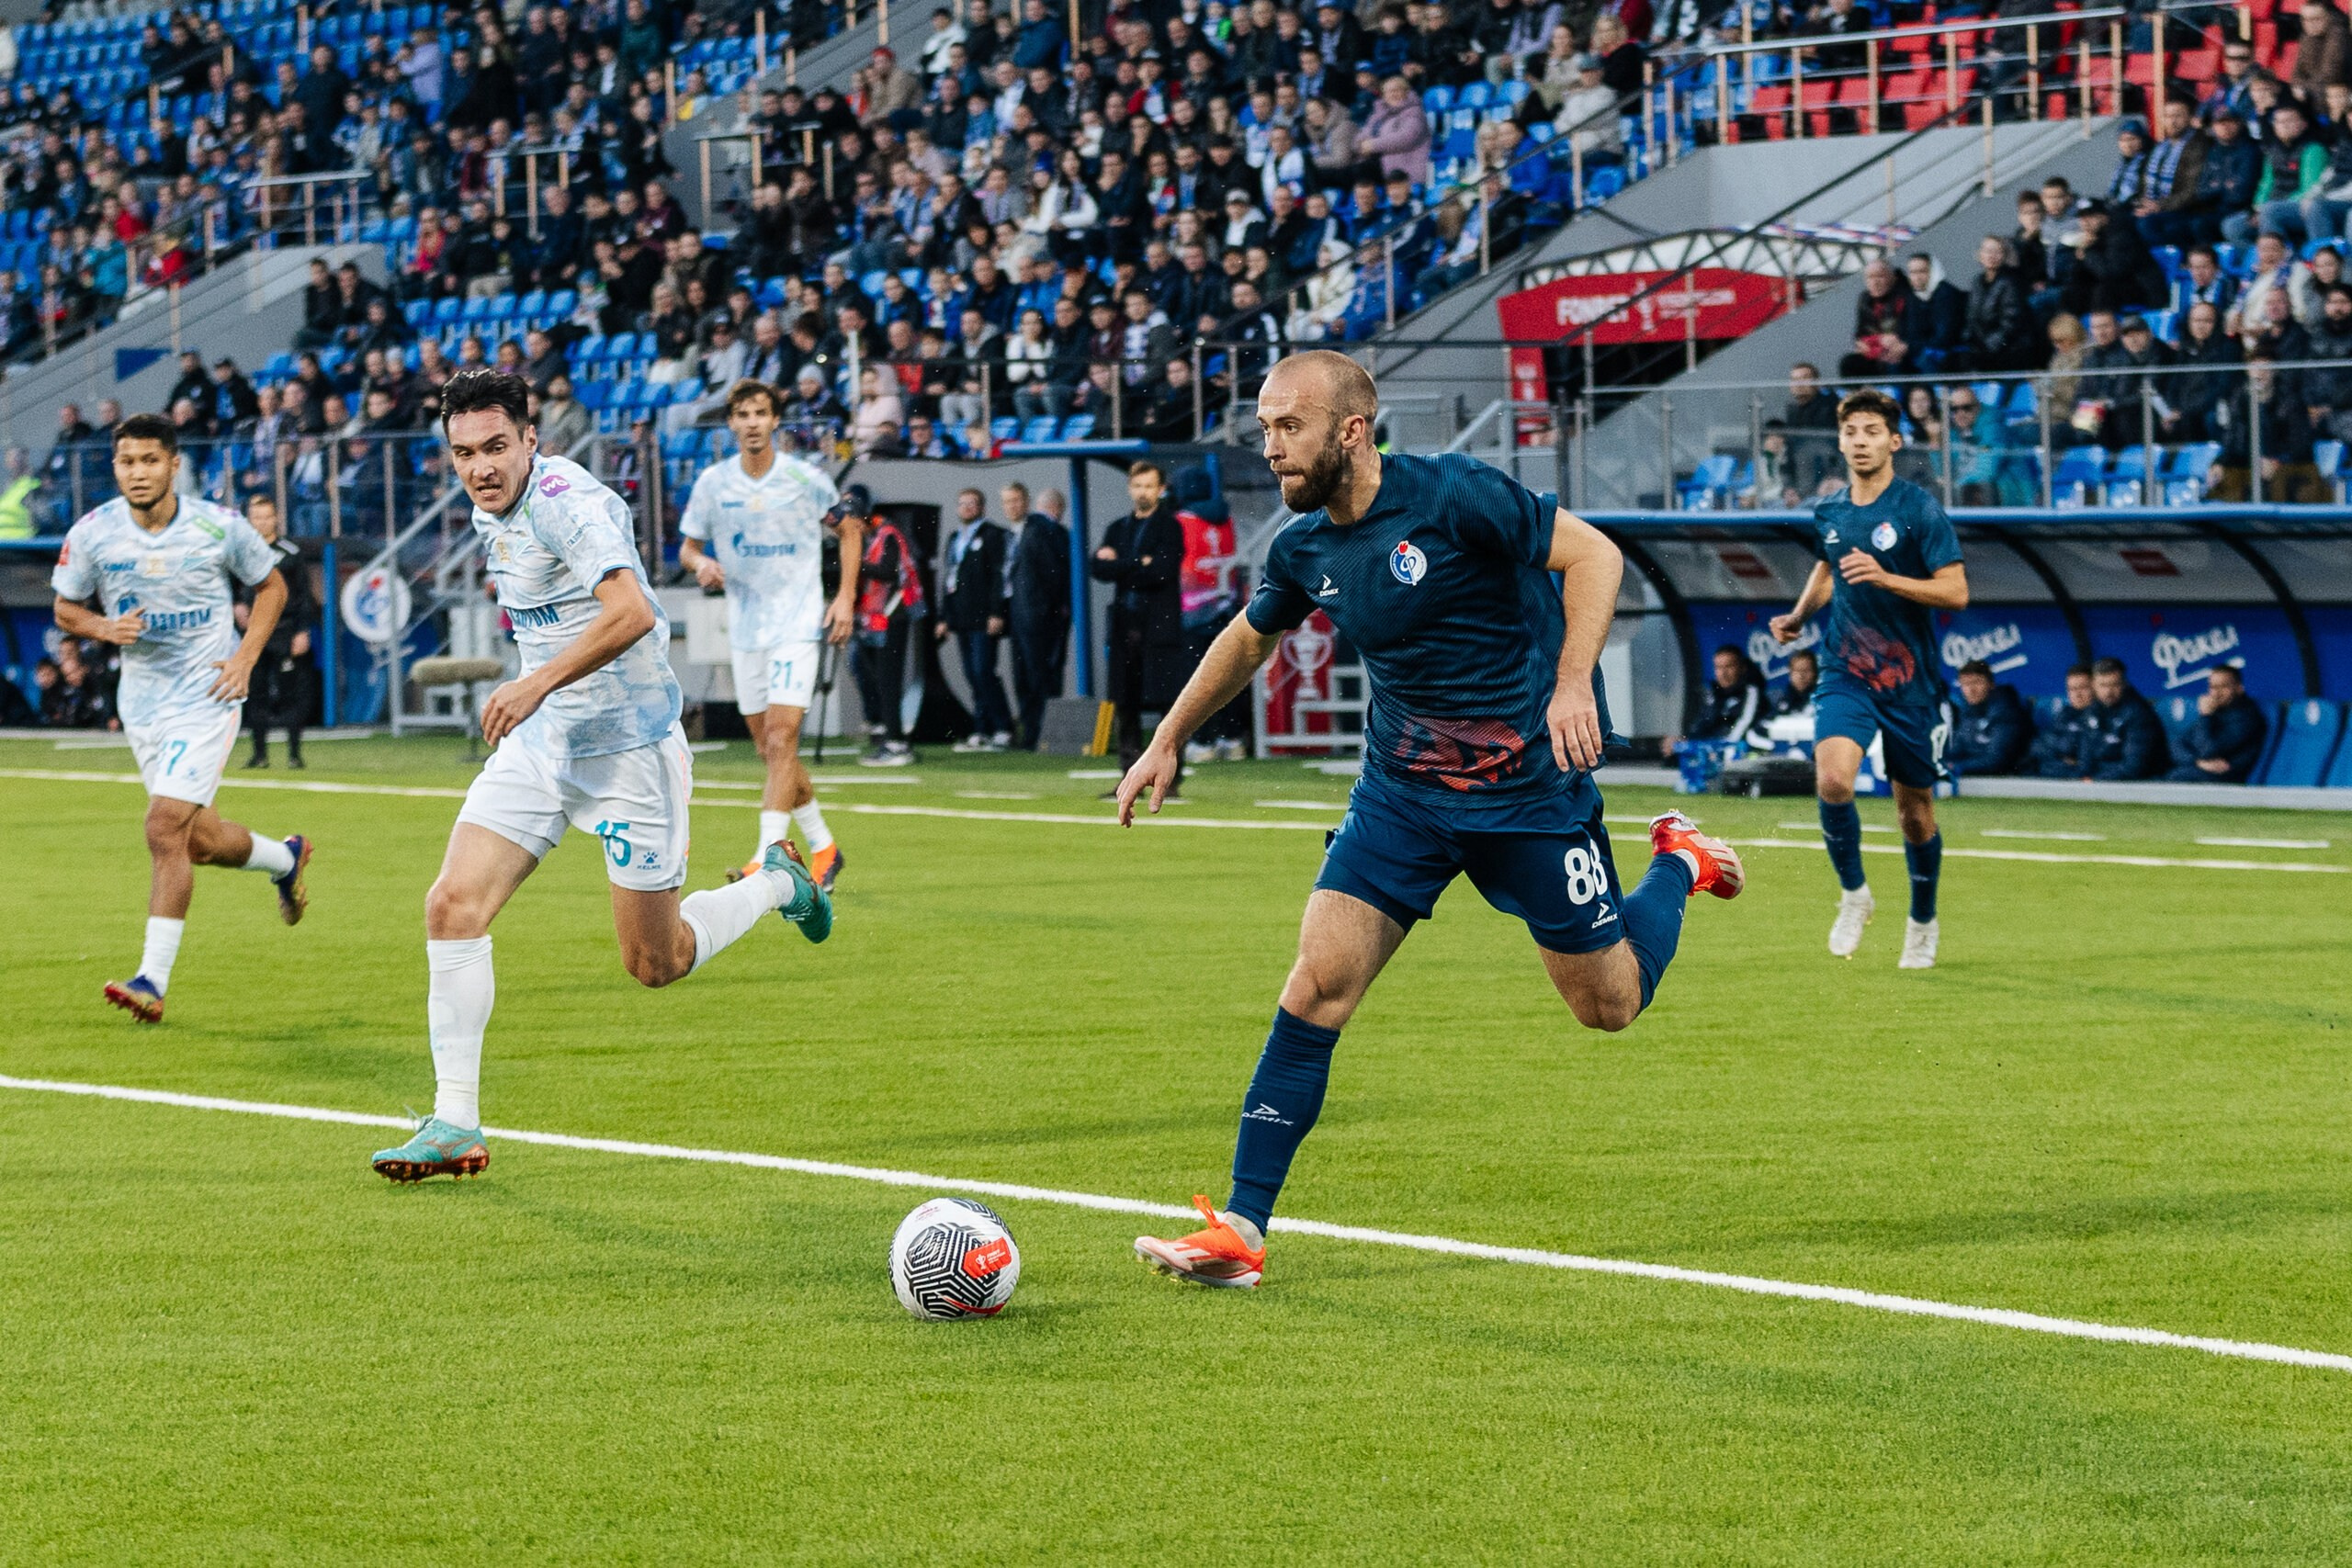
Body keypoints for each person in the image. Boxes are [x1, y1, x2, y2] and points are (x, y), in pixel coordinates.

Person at [1121, 351, 1744, 1290]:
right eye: (1263, 429)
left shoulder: (1454, 497)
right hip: (1402, 800)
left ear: (1351, 431)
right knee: (1317, 982)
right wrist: (1168, 737)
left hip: (1530, 797)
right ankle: (1242, 1226)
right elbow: (1250, 636)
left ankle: (1677, 864)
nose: (1271, 450)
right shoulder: (1302, 549)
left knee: (1607, 1005)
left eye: (1289, 429)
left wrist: (1574, 683)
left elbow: (1594, 555)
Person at [368, 370, 833, 1183]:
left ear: (531, 439)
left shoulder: (567, 504)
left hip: (629, 754)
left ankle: (776, 883)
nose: (480, 467)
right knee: (452, 903)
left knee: (656, 962)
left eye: (495, 448)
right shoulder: (491, 507)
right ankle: (455, 1120)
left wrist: (532, 680)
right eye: (463, 453)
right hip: (546, 745)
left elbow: (633, 612)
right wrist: (540, 689)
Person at [48, 413, 311, 1025]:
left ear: (173, 464)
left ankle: (151, 980)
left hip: (207, 691)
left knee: (163, 826)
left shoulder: (217, 527)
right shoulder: (93, 533)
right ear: (115, 467)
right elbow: (64, 605)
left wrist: (246, 657)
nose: (137, 472)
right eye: (126, 462)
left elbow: (271, 588)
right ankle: (284, 858)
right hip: (141, 701)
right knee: (197, 840)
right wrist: (101, 626)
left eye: (149, 460)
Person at [1770, 388, 1969, 970]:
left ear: (1893, 441)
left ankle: (1923, 921)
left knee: (1915, 814)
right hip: (1846, 671)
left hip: (1910, 683)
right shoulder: (1830, 511)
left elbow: (1955, 591)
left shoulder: (1919, 510)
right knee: (1832, 781)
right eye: (1851, 431)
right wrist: (1800, 615)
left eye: (1872, 431)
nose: (1860, 441)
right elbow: (1830, 568)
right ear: (1841, 440)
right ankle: (1854, 894)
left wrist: (1887, 579)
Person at [676, 379, 862, 892]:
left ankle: (767, 858)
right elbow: (687, 548)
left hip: (798, 624)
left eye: (762, 412)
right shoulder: (714, 483)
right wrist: (702, 563)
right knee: (771, 750)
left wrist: (844, 598)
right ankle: (824, 847)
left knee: (782, 738)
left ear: (776, 421)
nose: (753, 422)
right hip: (747, 627)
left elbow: (850, 529)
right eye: (743, 414)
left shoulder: (805, 477)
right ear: (732, 423)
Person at [1092, 459, 1187, 784]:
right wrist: (1137, 563)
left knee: (1166, 705)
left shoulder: (1170, 527)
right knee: (1125, 703)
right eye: (1137, 485)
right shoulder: (1118, 527)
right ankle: (1127, 777)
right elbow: (1098, 568)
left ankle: (1170, 779)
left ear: (1161, 490)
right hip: (1124, 626)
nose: (1142, 492)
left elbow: (1162, 570)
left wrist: (1120, 563)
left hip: (1158, 625)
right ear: (1130, 488)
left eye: (1149, 486)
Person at [232, 495, 317, 769]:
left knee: (289, 693)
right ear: (249, 520)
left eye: (267, 516)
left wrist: (302, 631)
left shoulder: (290, 553)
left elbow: (304, 595)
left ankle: (294, 754)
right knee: (254, 692)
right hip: (253, 633)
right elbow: (230, 587)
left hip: (285, 631)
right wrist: (236, 607)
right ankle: (259, 755)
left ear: (276, 518)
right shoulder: (239, 552)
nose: (262, 522)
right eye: (257, 517)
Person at [935, 486, 1014, 750]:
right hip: (962, 618)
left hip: (984, 618)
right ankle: (982, 729)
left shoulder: (992, 534)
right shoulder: (955, 537)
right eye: (963, 503)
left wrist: (996, 612)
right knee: (972, 674)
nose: (967, 507)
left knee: (984, 672)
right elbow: (949, 578)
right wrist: (944, 617)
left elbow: (998, 578)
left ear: (982, 507)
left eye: (972, 503)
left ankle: (1003, 726)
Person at [850, 484, 923, 766]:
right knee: (881, 680)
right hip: (878, 618)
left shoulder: (887, 534)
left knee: (889, 682)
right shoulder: (873, 537)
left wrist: (855, 563)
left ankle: (897, 744)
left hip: (895, 614)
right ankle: (891, 737)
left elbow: (889, 572)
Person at [1002, 480, 1070, 750]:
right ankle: (1034, 732)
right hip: (1031, 616)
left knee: (1030, 674)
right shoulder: (1033, 532)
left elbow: (1045, 572)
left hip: (1029, 614)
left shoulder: (1033, 531)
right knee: (1033, 674)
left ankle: (1034, 733)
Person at [2167, 662, 2269, 781]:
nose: (2216, 693)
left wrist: (2205, 716)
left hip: (2226, 778)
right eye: (2213, 687)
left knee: (2171, 778)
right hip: (2200, 769)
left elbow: (2208, 751)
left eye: (2223, 687)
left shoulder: (2247, 718)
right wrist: (2197, 762)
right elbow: (2176, 746)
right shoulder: (2217, 711)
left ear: (2239, 688)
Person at [2081, 656, 2166, 781]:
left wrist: (2096, 781)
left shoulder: (2139, 713)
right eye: (2103, 685)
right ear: (2093, 685)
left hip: (2140, 783)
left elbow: (2133, 767)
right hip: (2101, 778)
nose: (2108, 692)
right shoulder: (2092, 710)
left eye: (2114, 685)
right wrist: (2083, 776)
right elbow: (2086, 755)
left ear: (2124, 684)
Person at [1947, 658, 2030, 775]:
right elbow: (1957, 751)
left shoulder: (2006, 711)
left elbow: (1996, 761)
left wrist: (1956, 767)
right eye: (1965, 684)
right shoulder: (1967, 712)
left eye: (1977, 682)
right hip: (1975, 776)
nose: (1971, 690)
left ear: (1991, 685)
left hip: (2009, 780)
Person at [2032, 664, 2098, 777]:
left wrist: (2060, 754)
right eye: (2072, 689)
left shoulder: (2102, 716)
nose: (2077, 694)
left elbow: (2086, 765)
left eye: (2083, 688)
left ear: (2095, 688)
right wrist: (2064, 755)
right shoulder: (2065, 713)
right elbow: (2038, 747)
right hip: (2063, 772)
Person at [1770, 648, 1820, 716]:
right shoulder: (1777, 701)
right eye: (1797, 670)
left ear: (1815, 672)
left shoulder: (1824, 699)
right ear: (1790, 672)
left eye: (1806, 670)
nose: (1801, 676)